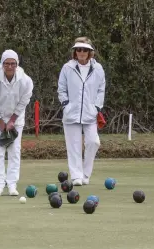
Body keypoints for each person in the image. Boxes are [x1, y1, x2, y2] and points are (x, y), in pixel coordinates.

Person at [57, 37, 106, 186]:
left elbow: (101, 89)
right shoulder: (67, 68)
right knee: (74, 146)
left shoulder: (98, 69)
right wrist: (66, 105)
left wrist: (96, 107)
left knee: (94, 142)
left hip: (90, 114)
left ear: (90, 52)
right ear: (75, 52)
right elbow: (61, 89)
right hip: (71, 114)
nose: (82, 52)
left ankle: (86, 173)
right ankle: (76, 176)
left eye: (85, 50)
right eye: (79, 49)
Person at [0, 49, 33, 196]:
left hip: (16, 119)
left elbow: (24, 101)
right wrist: (0, 121)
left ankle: (12, 185)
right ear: (2, 64)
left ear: (17, 64)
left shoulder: (26, 81)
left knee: (14, 151)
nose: (10, 66)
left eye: (12, 63)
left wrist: (12, 120)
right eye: (6, 63)